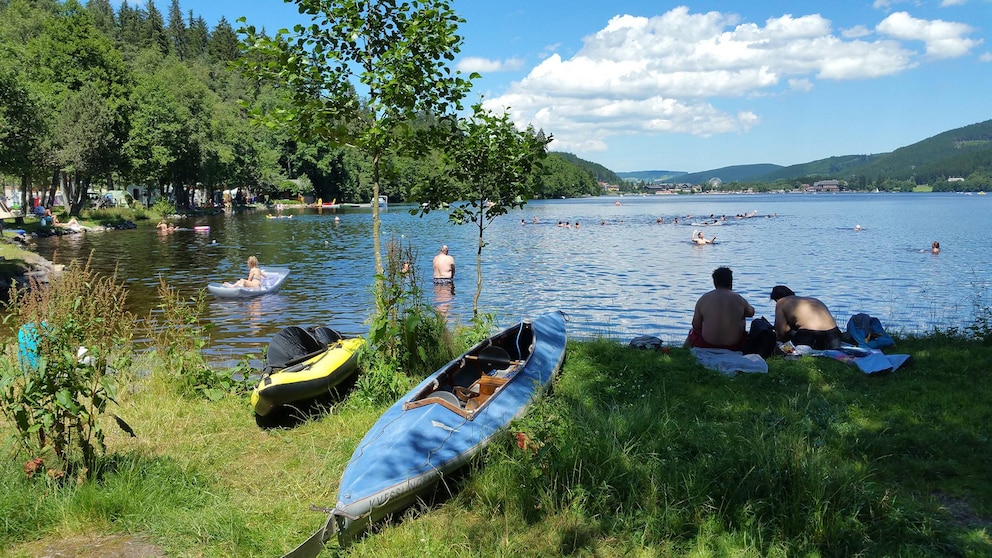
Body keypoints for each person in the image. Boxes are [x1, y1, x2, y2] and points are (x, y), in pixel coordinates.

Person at [685, 267, 755, 350]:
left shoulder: (703, 299)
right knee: (742, 319)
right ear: (731, 282)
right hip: (734, 346)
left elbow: (696, 325)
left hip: (706, 344)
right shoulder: (739, 299)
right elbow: (751, 313)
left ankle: (683, 351)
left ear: (714, 282)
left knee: (692, 331)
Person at [769, 285, 841, 349]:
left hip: (811, 336)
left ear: (775, 299)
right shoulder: (811, 300)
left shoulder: (781, 302)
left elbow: (781, 332)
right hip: (834, 336)